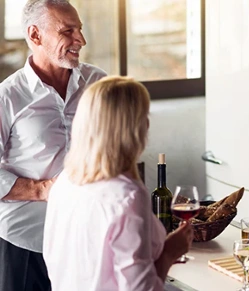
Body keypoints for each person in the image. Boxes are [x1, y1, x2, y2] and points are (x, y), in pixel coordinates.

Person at [42, 76, 194, 291]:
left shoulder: (65, 181)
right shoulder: (128, 195)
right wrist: (169, 252)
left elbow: (53, 259)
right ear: (133, 128)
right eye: (144, 116)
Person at [0, 0, 107, 290]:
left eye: (80, 30)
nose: (80, 40)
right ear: (35, 36)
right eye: (67, 31)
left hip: (89, 240)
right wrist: (44, 189)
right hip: (28, 241)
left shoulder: (99, 83)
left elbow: (119, 146)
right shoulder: (7, 96)